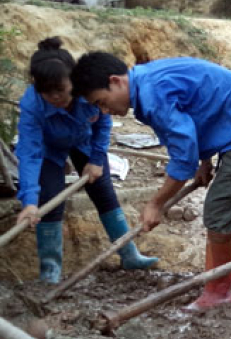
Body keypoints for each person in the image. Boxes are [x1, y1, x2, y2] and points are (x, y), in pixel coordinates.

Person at [71, 53, 231, 312]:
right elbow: (200, 110)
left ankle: (218, 292)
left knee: (220, 211)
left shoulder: (152, 96)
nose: (105, 111)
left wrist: (156, 204)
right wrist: (204, 160)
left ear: (116, 81)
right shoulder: (147, 81)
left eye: (102, 102)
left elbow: (183, 159)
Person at [16, 37, 158, 284]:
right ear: (38, 90)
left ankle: (129, 254)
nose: (56, 98)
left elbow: (103, 122)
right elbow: (30, 152)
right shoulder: (33, 105)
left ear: (74, 82)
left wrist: (95, 159)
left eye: (61, 91)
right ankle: (50, 271)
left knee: (103, 189)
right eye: (47, 93)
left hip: (84, 142)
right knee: (49, 199)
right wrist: (28, 200)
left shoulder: (87, 91)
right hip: (50, 149)